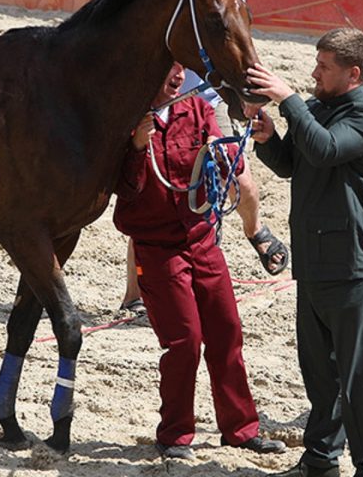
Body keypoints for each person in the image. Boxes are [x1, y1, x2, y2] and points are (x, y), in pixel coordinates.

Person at [121, 0, 288, 313]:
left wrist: (245, 90)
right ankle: (134, 294)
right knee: (156, 202)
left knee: (241, 183)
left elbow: (238, 40)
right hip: (167, 101)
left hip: (209, 97)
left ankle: (255, 230)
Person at [114, 60, 286, 460]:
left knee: (227, 332)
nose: (177, 77)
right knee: (184, 341)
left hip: (202, 240)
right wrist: (137, 147)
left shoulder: (197, 109)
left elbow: (226, 162)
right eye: (167, 70)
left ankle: (241, 430)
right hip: (157, 247)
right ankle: (174, 434)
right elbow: (122, 192)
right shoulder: (123, 117)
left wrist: (228, 157)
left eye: (179, 70)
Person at [248, 27, 363, 477]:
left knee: (361, 377)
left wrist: (288, 99)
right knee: (319, 373)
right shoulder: (316, 109)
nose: (314, 73)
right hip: (313, 264)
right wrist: (269, 137)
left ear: (353, 73)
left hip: (356, 265)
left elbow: (327, 149)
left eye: (323, 67)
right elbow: (294, 163)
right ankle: (319, 460)